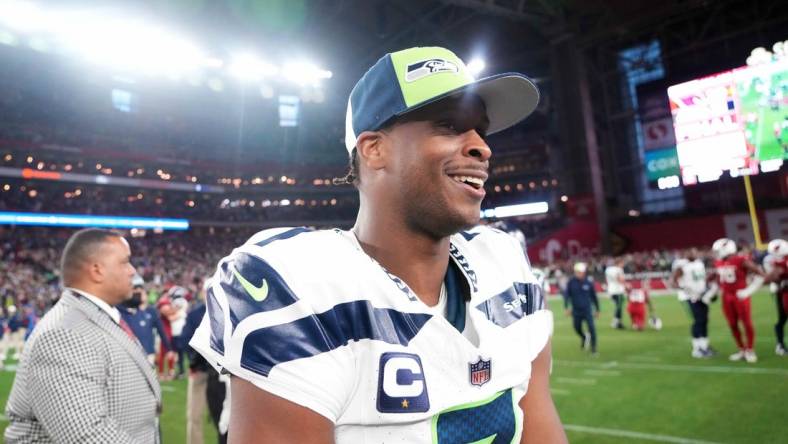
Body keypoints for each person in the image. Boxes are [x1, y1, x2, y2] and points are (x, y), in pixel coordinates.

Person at [191, 46, 566, 443]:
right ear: (374, 149)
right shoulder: (297, 286)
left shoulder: (504, 264)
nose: (482, 148)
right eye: (451, 126)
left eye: (482, 131)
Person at [4, 228, 161, 443]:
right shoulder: (64, 334)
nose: (133, 271)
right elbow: (87, 435)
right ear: (97, 271)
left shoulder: (95, 317)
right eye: (125, 262)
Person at [182, 277, 228, 444]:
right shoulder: (196, 314)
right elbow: (185, 340)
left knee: (225, 419)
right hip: (204, 372)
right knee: (196, 416)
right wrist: (195, 363)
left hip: (222, 375)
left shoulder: (226, 311)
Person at [711, 238, 765, 363]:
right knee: (732, 324)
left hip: (740, 296)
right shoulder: (719, 262)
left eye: (718, 251)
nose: (716, 253)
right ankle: (741, 349)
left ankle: (750, 349)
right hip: (726, 296)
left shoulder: (740, 260)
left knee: (746, 323)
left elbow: (761, 275)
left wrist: (748, 291)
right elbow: (720, 280)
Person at [118, 274, 174, 366]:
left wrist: (169, 349)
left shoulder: (151, 311)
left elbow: (161, 331)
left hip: (148, 353)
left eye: (140, 288)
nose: (138, 291)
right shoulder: (122, 311)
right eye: (135, 288)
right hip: (129, 354)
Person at [672, 248, 716, 358]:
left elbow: (702, 279)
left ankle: (705, 346)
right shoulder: (682, 266)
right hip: (690, 297)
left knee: (704, 320)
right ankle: (697, 349)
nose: (693, 254)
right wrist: (687, 290)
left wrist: (708, 288)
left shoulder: (700, 264)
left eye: (695, 252)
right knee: (698, 320)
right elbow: (674, 281)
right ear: (686, 254)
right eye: (690, 252)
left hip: (702, 295)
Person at [564, 262, 600, 354]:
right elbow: (567, 295)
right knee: (576, 328)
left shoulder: (588, 282)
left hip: (587, 310)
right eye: (576, 272)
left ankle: (593, 348)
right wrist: (566, 307)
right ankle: (584, 337)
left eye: (579, 272)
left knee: (591, 328)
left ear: (583, 272)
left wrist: (597, 309)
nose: (578, 273)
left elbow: (594, 296)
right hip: (576, 310)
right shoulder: (571, 282)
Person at [763, 238, 788, 356]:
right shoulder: (772, 261)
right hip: (782, 292)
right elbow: (769, 279)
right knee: (782, 319)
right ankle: (780, 345)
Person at [605, 258, 626, 329]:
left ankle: (618, 322)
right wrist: (626, 285)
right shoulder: (619, 270)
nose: (623, 265)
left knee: (618, 306)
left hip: (611, 290)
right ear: (619, 263)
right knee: (619, 307)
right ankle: (616, 322)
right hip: (618, 291)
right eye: (622, 263)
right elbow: (619, 279)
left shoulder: (608, 269)